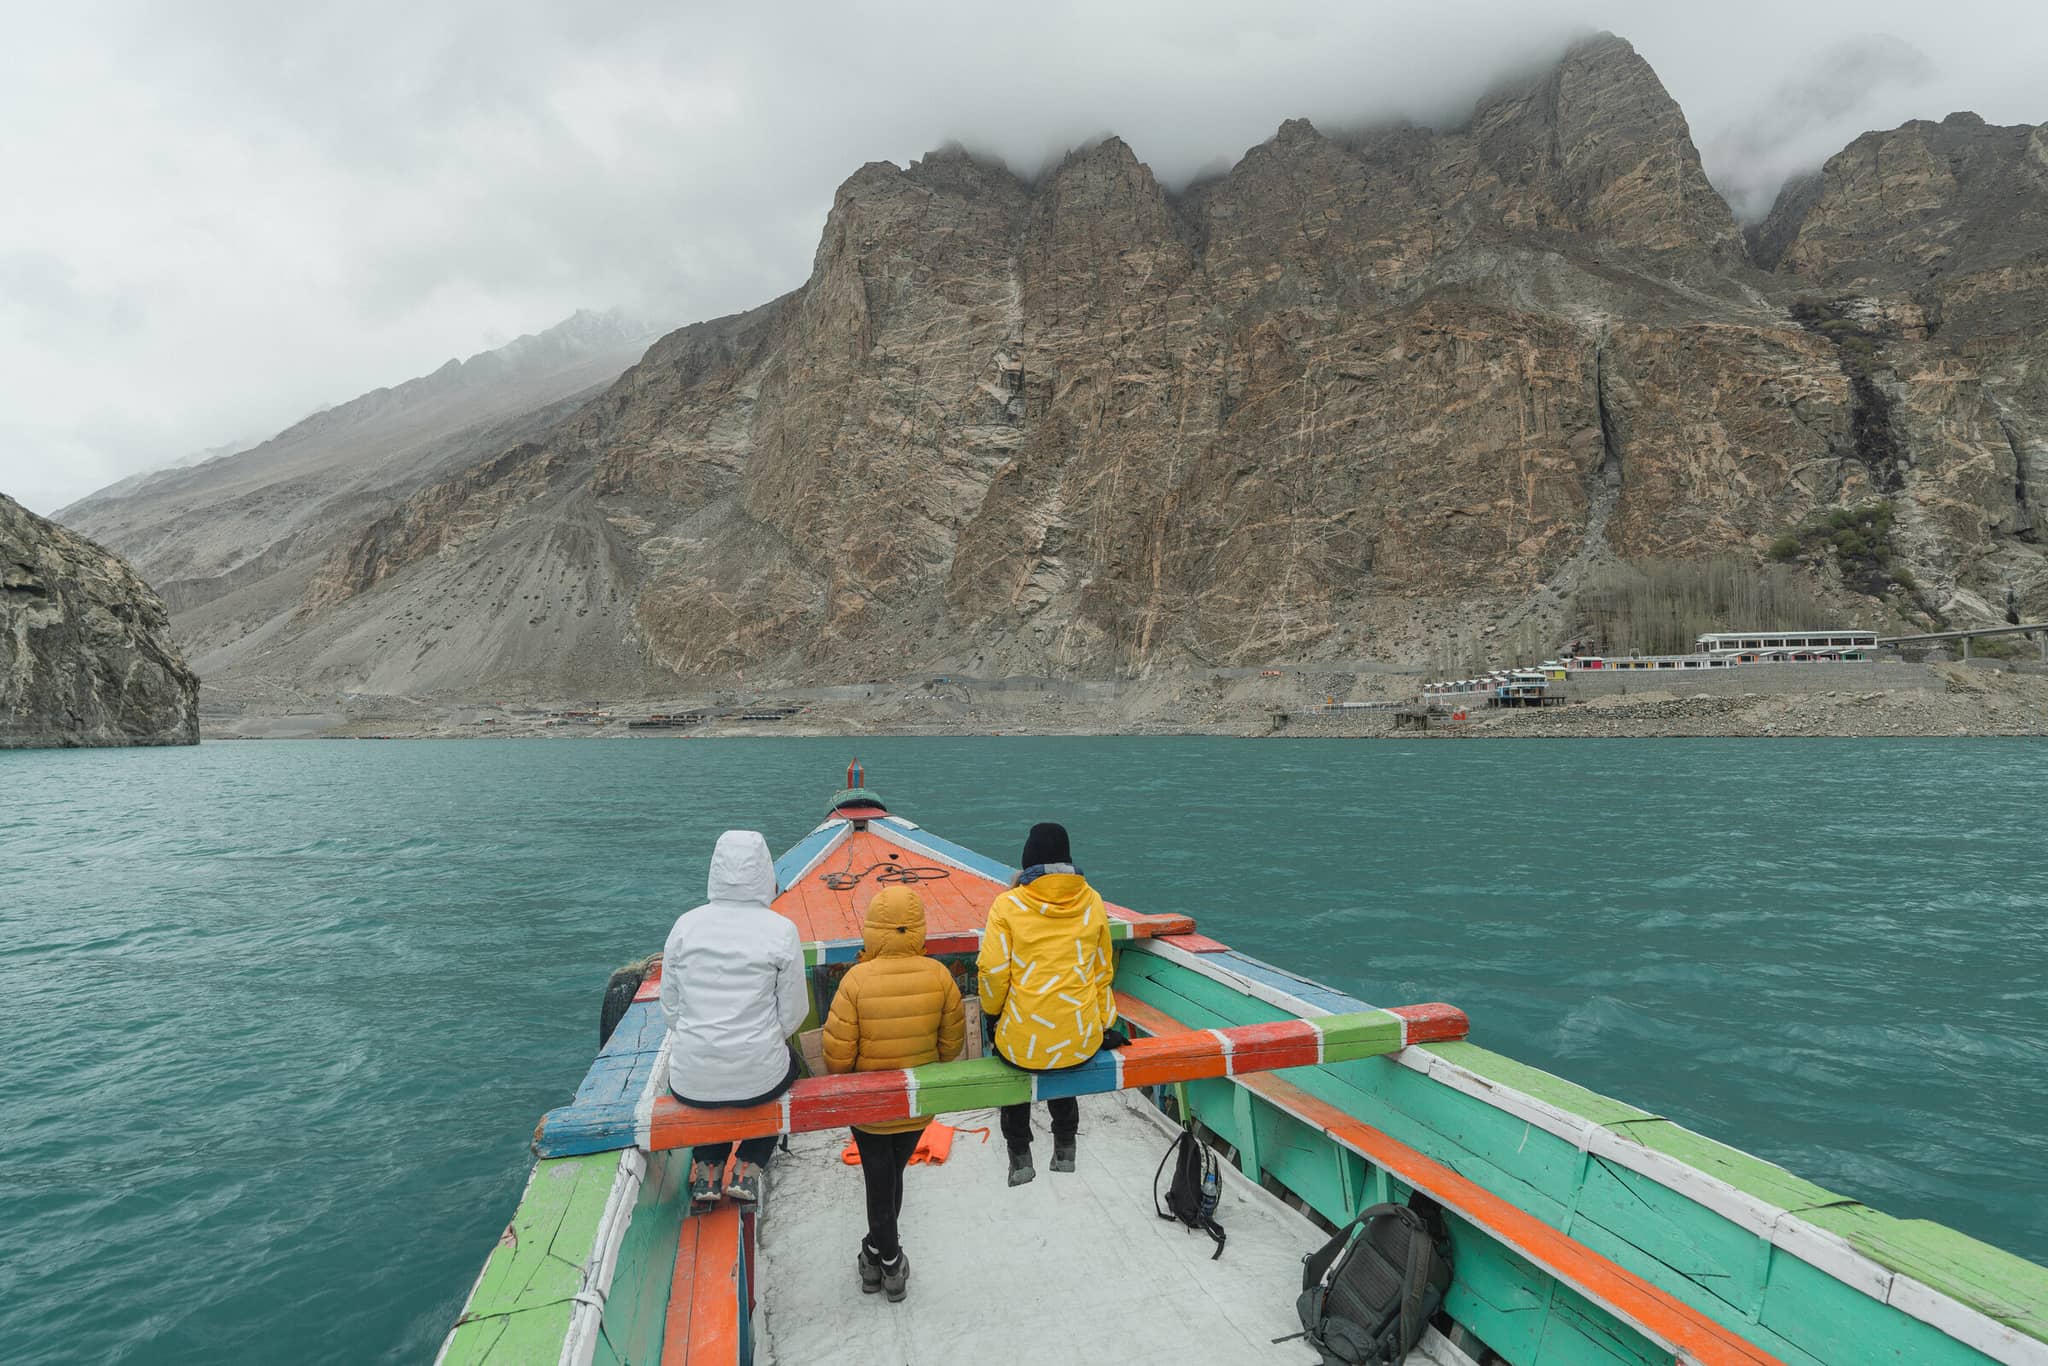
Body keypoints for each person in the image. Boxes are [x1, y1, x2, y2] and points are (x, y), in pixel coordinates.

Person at [821, 886, 965, 1301]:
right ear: (918, 928)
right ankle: (876, 1255)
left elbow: (837, 1056)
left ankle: (886, 1262)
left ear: (872, 930)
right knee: (891, 1175)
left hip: (868, 1109)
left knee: (878, 1178)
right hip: (917, 1104)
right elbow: (951, 1045)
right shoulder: (938, 975)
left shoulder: (855, 980)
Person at [659, 829, 807, 1209]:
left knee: (712, 1088)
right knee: (788, 1071)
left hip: (690, 1077)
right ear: (764, 872)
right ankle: (749, 1164)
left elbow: (670, 1008)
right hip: (758, 1072)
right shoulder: (781, 929)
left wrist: (704, 1037)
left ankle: (708, 1169)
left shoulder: (685, 925)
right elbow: (794, 1013)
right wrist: (761, 1039)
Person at [975, 821, 1123, 1187]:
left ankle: (1020, 1154)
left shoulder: (1007, 905)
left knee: (1012, 1057)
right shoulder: (1092, 900)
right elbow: (1102, 972)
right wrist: (1103, 1024)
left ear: (1027, 861)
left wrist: (994, 1015)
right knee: (1064, 1041)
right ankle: (1065, 1144)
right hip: (1080, 1040)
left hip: (1022, 1043)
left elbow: (993, 974)